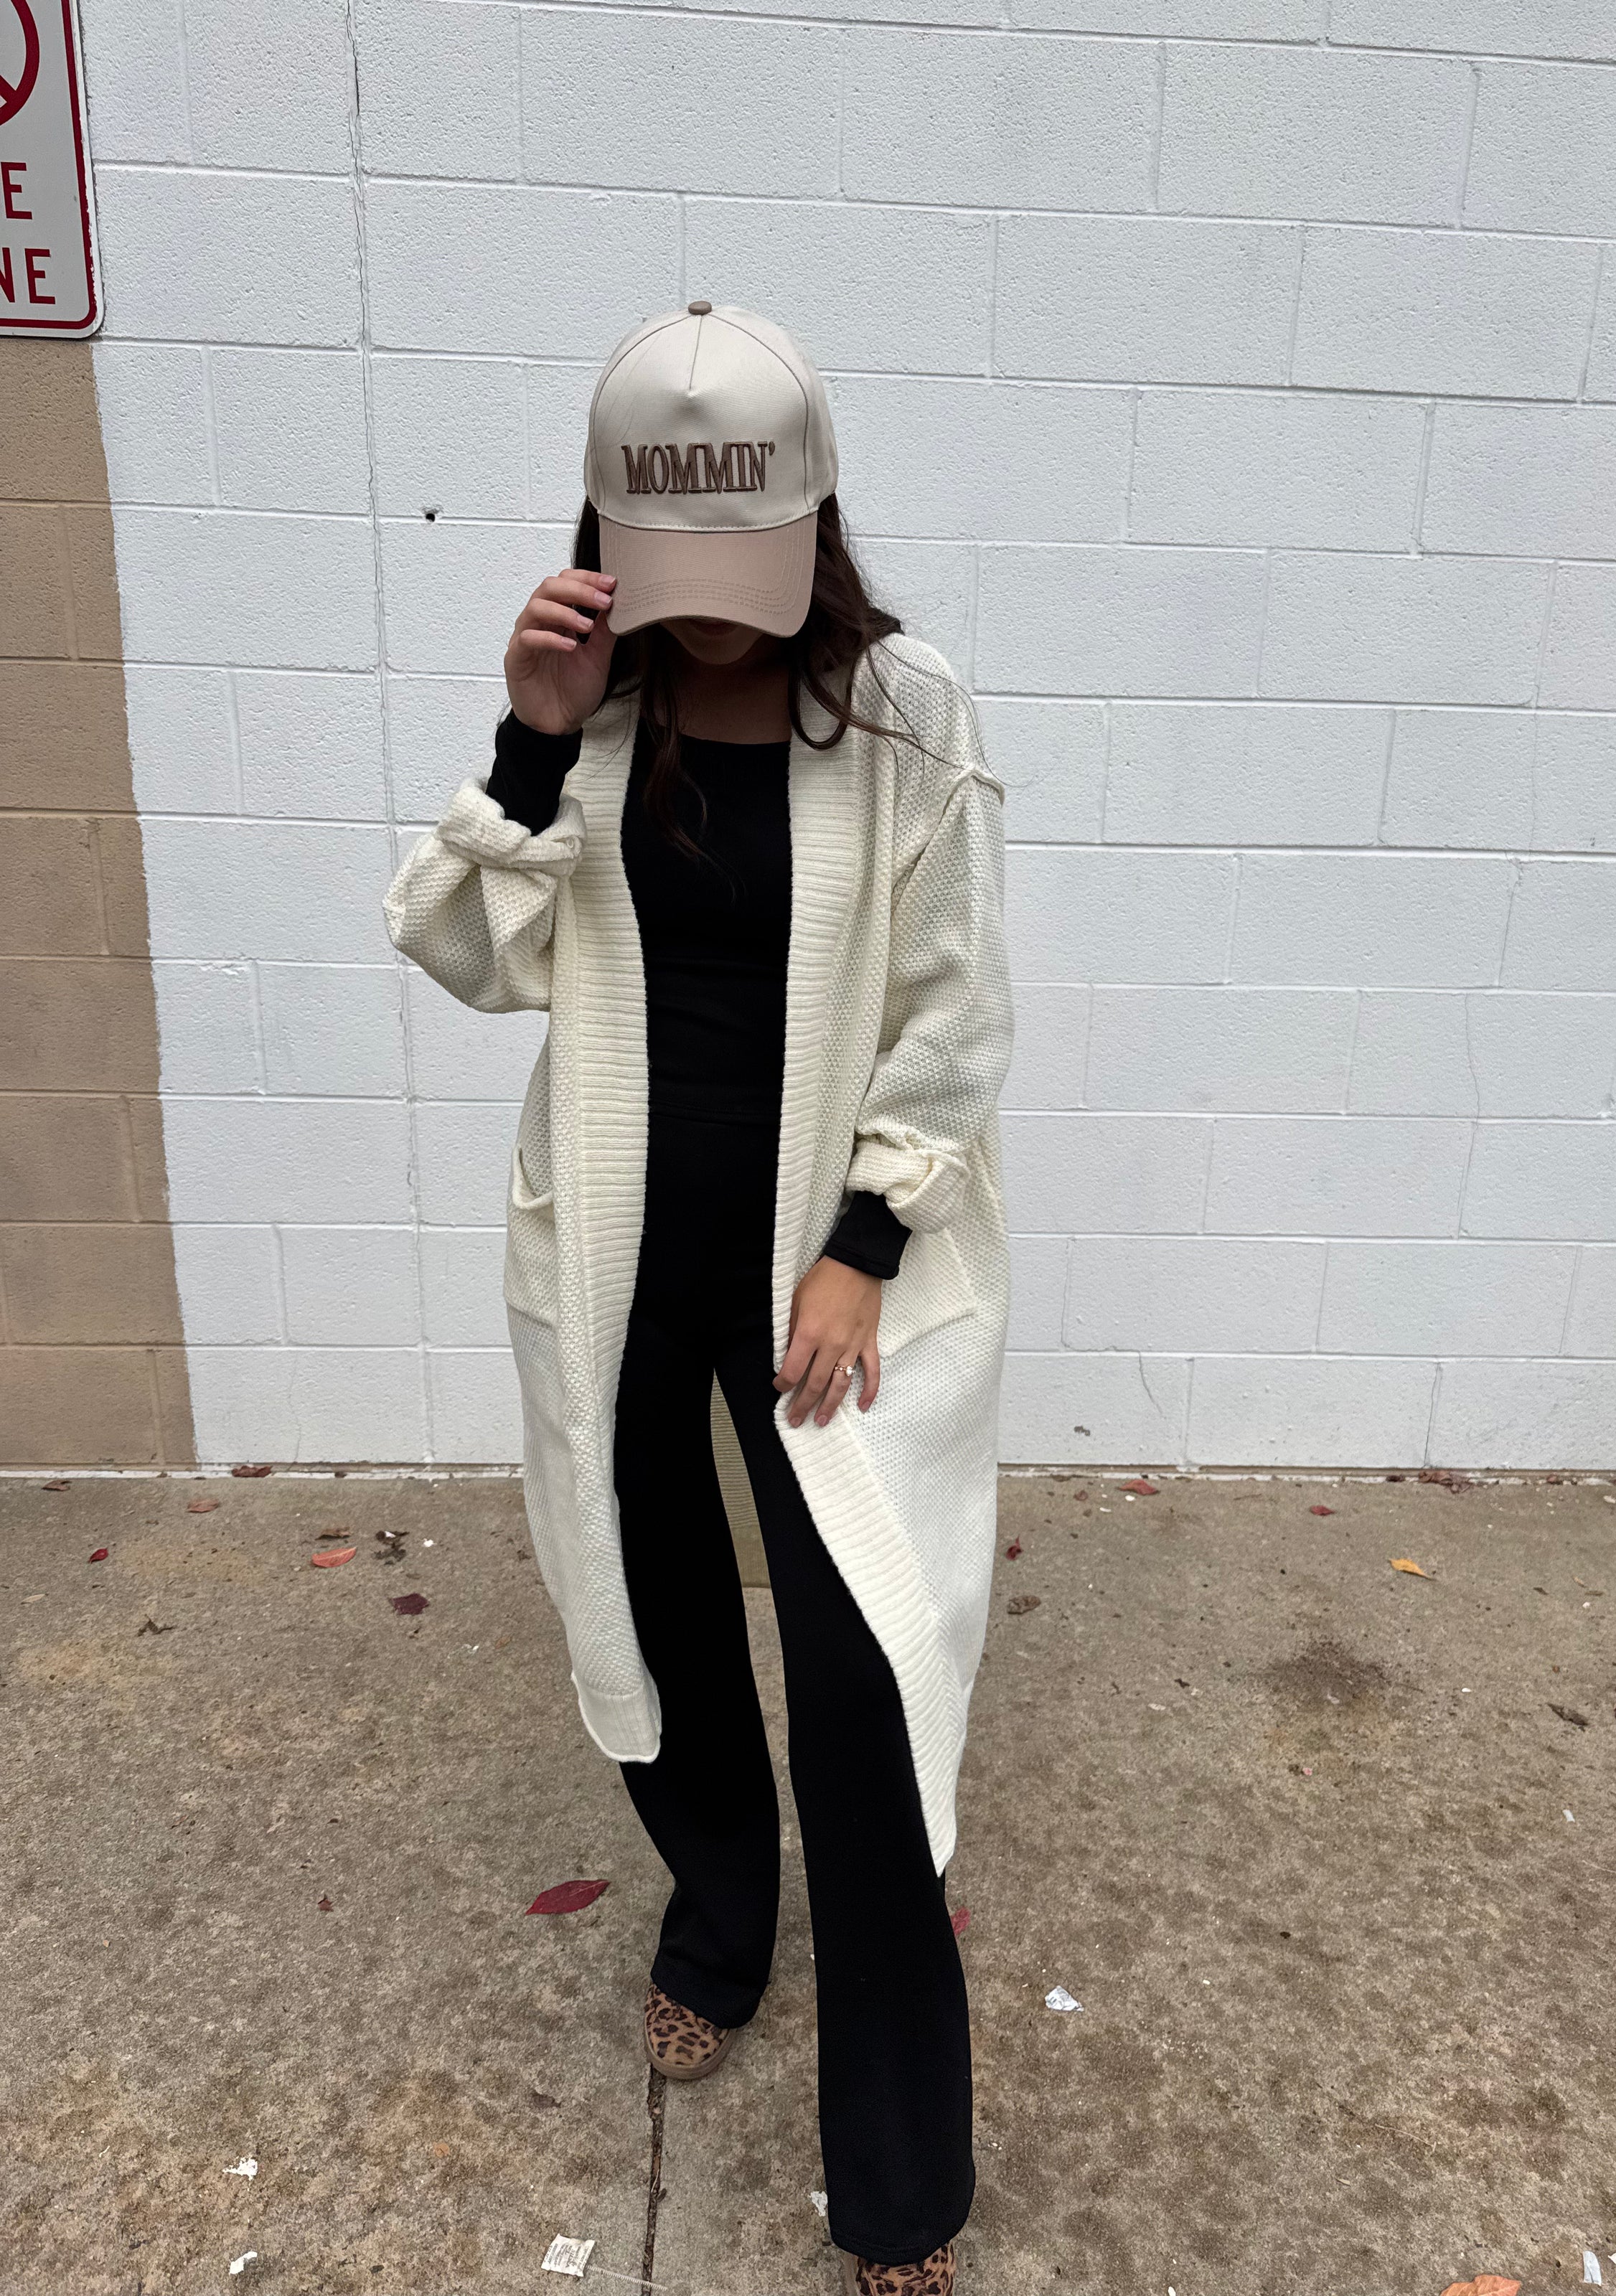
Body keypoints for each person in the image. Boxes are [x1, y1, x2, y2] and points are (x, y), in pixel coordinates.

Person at [385, 302, 1013, 2296]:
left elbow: (953, 1013)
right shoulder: (597, 706)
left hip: (830, 1288)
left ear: (813, 528)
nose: (719, 618)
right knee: (652, 1622)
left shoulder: (906, 713)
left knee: (867, 1691)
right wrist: (530, 733)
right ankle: (723, 1921)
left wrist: (867, 1243)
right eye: (680, 573)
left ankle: (900, 2181)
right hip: (619, 1268)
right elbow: (468, 957)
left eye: (750, 567)